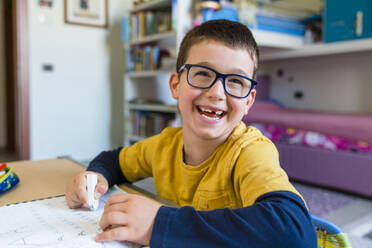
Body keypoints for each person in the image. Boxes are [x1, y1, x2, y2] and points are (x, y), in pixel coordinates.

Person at [65, 19, 317, 247]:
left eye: (236, 82)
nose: (218, 93)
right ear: (175, 85)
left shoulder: (250, 151)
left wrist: (158, 223)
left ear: (249, 101)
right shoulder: (164, 145)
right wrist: (95, 175)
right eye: (203, 74)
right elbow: (114, 160)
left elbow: (295, 233)